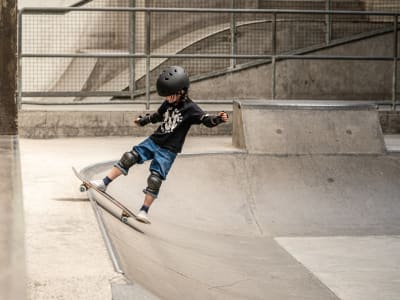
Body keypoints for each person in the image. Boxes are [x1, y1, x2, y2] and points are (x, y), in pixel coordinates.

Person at [90, 66, 229, 224]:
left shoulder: (191, 109)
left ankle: (144, 211)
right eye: (166, 96)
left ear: (182, 91)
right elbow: (158, 116)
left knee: (155, 179)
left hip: (168, 151)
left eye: (170, 96)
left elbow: (206, 120)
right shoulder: (167, 102)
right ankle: (104, 183)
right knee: (129, 157)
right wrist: (143, 121)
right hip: (154, 141)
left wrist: (218, 119)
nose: (168, 99)